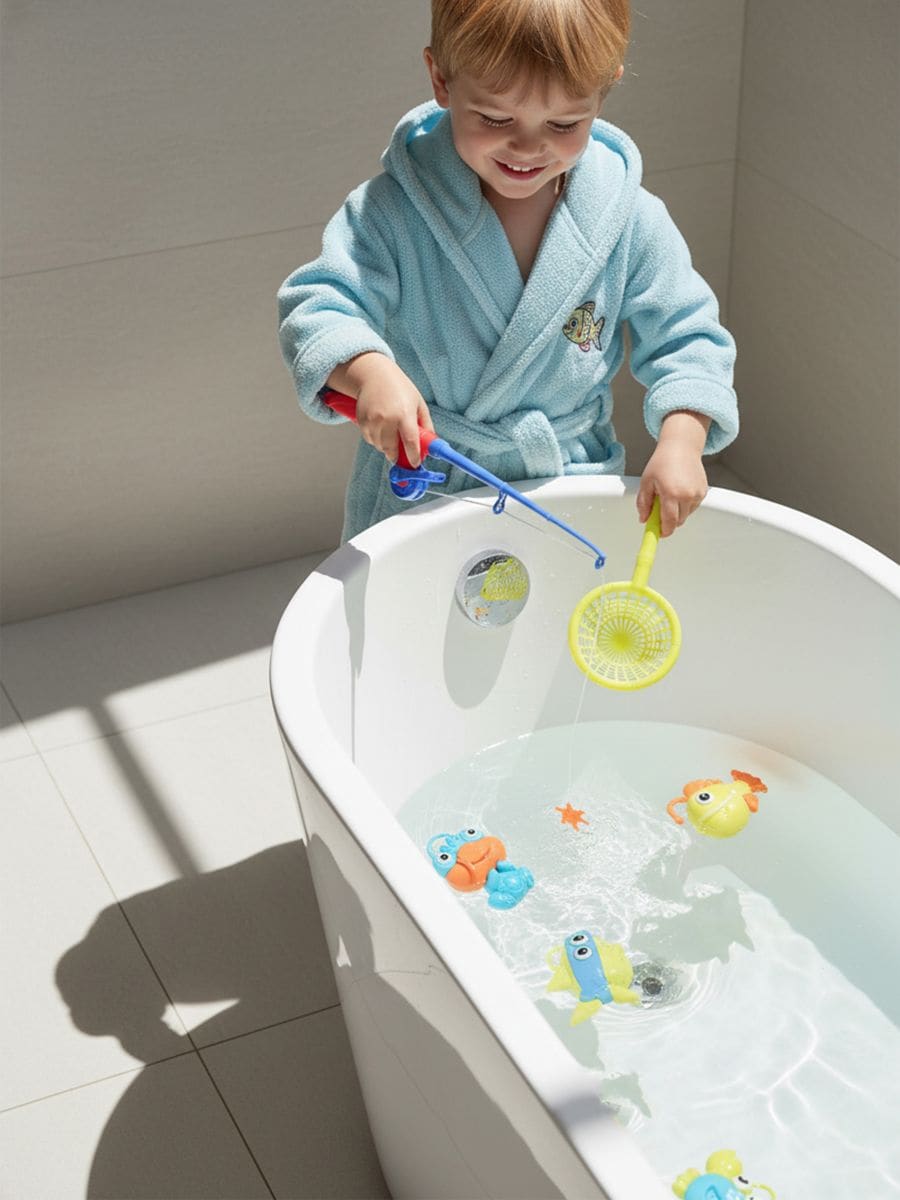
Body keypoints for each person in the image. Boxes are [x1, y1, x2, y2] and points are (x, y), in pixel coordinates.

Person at [278, 0, 738, 542]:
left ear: (603, 92)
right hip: (430, 482)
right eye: (494, 118)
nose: (527, 147)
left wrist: (682, 441)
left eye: (564, 123)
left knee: (567, 598)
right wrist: (369, 372)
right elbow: (319, 305)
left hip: (565, 482)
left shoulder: (630, 219)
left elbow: (688, 337)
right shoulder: (393, 211)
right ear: (441, 80)